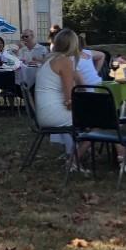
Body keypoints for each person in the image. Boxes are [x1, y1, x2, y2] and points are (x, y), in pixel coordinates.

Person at [34, 28, 87, 163]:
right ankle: (74, 159)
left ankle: (121, 154)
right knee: (101, 119)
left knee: (98, 118)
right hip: (54, 115)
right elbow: (69, 100)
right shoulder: (64, 62)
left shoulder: (48, 59)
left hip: (43, 114)